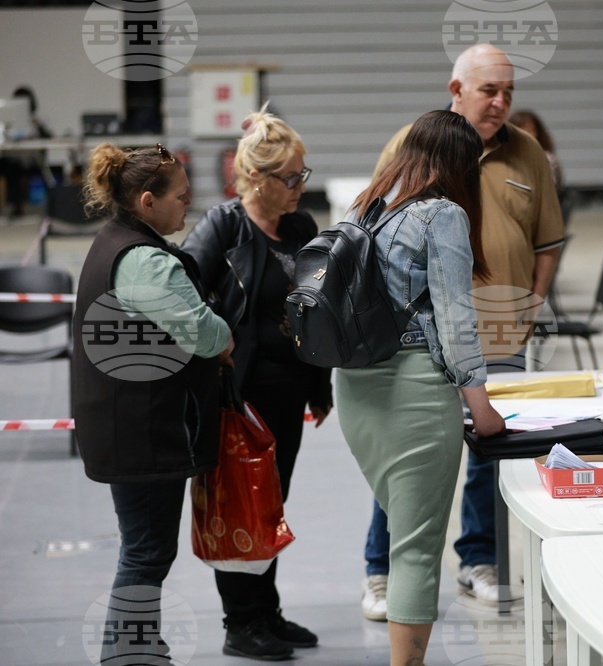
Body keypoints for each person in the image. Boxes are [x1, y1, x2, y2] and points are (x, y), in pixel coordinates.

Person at [361, 44, 565, 619]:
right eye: (488, 91)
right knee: (406, 458)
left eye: (509, 92)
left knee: (488, 456)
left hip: (501, 333)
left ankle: (479, 560)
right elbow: (373, 233)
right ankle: (383, 570)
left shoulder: (528, 154)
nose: (500, 102)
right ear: (456, 89)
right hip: (418, 344)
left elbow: (548, 240)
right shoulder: (414, 147)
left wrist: (533, 303)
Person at [336, 109, 506, 666]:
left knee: (402, 524)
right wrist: (482, 410)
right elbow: (457, 323)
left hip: (354, 387)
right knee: (416, 548)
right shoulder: (443, 214)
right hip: (413, 388)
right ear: (461, 164)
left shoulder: (365, 205)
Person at [72, 143, 233, 665]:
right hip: (142, 432)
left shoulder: (113, 241)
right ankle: (127, 653)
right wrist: (225, 333)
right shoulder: (143, 261)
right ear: (146, 200)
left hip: (127, 423)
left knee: (143, 547)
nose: (189, 205)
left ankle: (137, 644)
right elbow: (207, 336)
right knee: (145, 551)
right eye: (181, 197)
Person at [182, 104, 332, 660]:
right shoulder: (225, 225)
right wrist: (216, 339)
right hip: (238, 396)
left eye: (303, 175)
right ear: (256, 178)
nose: (299, 187)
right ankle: (239, 622)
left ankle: (265, 610)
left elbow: (317, 304)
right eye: (290, 178)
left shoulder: (300, 227)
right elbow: (184, 285)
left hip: (290, 390)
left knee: (271, 504)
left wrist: (322, 384)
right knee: (239, 506)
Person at [0, 85, 53, 216]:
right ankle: (14, 206)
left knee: (19, 169)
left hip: (32, 160)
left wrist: (38, 126)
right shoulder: (7, 121)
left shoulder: (39, 118)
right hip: (12, 159)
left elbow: (50, 137)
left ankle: (52, 205)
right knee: (12, 168)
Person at [509, 109, 563, 190]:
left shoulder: (547, 159)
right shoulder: (503, 158)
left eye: (529, 130)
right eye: (520, 130)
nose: (525, 135)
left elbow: (550, 188)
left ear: (537, 133)